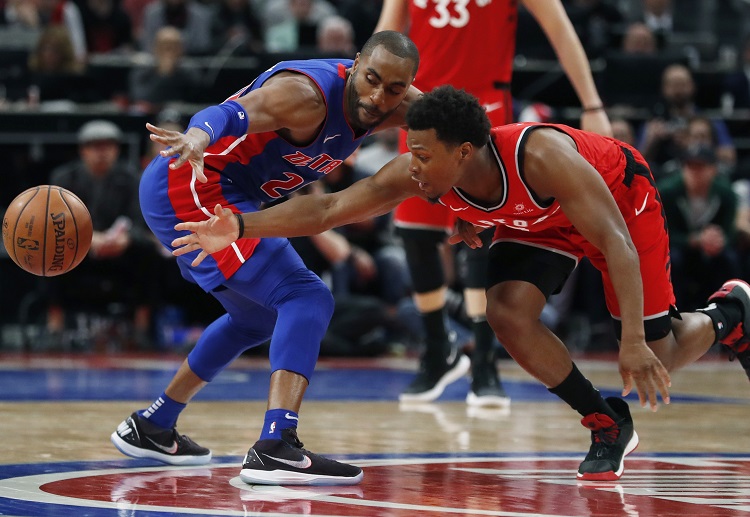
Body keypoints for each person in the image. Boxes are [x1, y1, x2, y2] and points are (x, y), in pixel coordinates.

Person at [171, 85, 750, 482]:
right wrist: (240, 225)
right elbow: (331, 210)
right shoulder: (424, 171)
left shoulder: (541, 155)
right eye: (410, 151)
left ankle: (731, 313)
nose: (413, 164)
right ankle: (605, 421)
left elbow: (617, 244)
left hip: (621, 207)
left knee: (658, 352)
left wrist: (629, 342)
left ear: (465, 150)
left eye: (423, 154)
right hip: (542, 222)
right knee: (505, 313)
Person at [109, 30, 421, 486]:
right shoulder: (306, 97)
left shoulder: (400, 104)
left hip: (229, 196)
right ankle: (276, 444)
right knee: (306, 298)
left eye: (395, 88)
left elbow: (461, 137)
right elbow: (229, 113)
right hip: (195, 185)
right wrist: (198, 135)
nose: (379, 97)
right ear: (355, 63)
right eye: (371, 79)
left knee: (255, 320)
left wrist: (471, 206)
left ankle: (153, 425)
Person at [374, 0, 613, 407]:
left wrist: (592, 105)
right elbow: (382, 42)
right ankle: (438, 352)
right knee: (415, 233)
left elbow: (560, 29)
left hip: (483, 107)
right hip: (421, 108)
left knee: (481, 235)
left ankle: (483, 361)